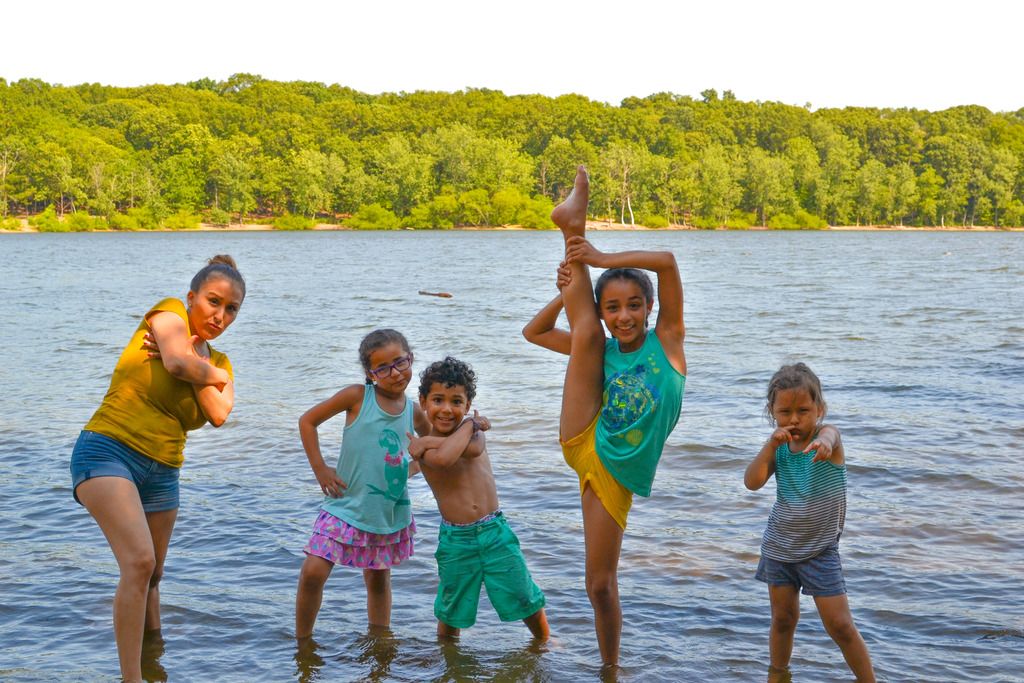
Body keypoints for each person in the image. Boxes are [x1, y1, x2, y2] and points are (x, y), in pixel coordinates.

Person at [521, 166, 686, 667]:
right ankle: (573, 223)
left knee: (598, 584)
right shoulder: (601, 345)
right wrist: (570, 288)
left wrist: (598, 259)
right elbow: (535, 332)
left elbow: (667, 260)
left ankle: (608, 667)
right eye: (612, 307)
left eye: (634, 305)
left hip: (615, 469)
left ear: (650, 307)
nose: (624, 316)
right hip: (583, 434)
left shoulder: (670, 342)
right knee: (587, 338)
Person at [70, 255, 245, 683]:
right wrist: (198, 370)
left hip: (164, 469)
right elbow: (174, 365)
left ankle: (155, 661)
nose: (220, 315)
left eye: (232, 308)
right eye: (212, 301)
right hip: (108, 449)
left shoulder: (220, 361)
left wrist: (194, 365)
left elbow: (220, 414)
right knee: (139, 563)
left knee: (154, 575)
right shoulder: (168, 311)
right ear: (191, 297)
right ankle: (132, 678)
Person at [744, 363, 875, 683]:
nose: (794, 419)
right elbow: (752, 482)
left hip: (820, 551)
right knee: (783, 620)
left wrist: (826, 442)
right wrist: (770, 446)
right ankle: (778, 675)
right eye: (784, 411)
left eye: (803, 410)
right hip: (779, 549)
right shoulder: (780, 448)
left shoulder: (827, 439)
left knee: (841, 625)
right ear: (772, 412)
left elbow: (833, 434)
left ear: (819, 409)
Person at [295, 329, 430, 638]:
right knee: (314, 570)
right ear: (371, 374)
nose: (395, 373)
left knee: (379, 579)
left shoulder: (413, 411)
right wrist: (321, 469)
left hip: (385, 510)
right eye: (383, 368)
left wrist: (413, 468)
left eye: (400, 362)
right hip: (344, 503)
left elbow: (434, 445)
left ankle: (379, 642)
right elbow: (308, 421)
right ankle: (303, 642)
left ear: (411, 359)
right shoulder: (358, 396)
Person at [406, 357, 548, 641]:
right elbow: (445, 458)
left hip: (495, 531)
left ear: (467, 405)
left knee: (522, 591)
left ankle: (544, 641)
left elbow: (471, 451)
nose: (447, 409)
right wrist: (447, 435)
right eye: (438, 400)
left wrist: (429, 439)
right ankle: (448, 654)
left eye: (456, 402)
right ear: (423, 402)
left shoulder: (472, 436)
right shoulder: (430, 451)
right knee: (452, 606)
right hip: (457, 540)